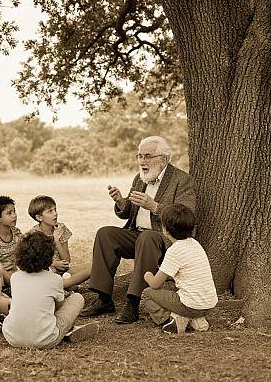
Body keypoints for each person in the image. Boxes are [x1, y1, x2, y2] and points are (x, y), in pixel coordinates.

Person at [81, 135, 196, 324]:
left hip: (164, 238)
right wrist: (120, 201)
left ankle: (133, 303)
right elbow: (128, 212)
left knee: (148, 238)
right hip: (137, 234)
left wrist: (155, 206)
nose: (142, 161)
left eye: (147, 156)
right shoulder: (140, 178)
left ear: (164, 159)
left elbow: (187, 215)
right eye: (139, 156)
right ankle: (103, 299)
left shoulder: (181, 180)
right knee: (105, 233)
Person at [2, 231, 99, 349]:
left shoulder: (15, 277)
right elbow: (59, 307)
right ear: (49, 256)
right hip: (45, 339)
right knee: (77, 298)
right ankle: (65, 330)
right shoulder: (54, 279)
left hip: (12, 337)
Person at [142, 204, 218, 333]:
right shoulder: (195, 244)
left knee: (147, 293)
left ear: (165, 230)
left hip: (190, 305)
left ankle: (171, 320)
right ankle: (196, 319)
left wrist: (147, 275)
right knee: (171, 289)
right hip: (209, 304)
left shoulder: (174, 250)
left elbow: (155, 284)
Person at [28, 195, 91, 289]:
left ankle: (65, 285)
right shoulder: (33, 234)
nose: (55, 214)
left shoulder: (61, 228)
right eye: (50, 211)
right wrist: (53, 264)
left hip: (64, 272)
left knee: (95, 266)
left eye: (55, 209)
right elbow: (32, 261)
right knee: (62, 280)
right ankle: (65, 285)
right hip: (45, 273)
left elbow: (66, 260)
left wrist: (57, 240)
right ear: (39, 217)